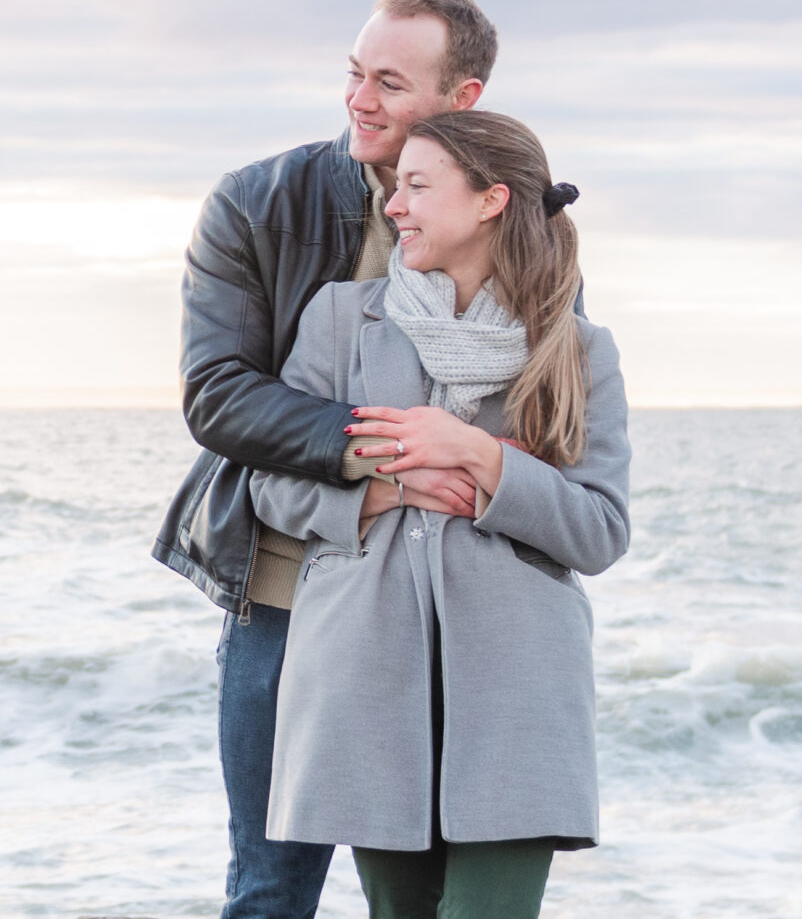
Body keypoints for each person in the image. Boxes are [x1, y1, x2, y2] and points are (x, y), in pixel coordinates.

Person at [152, 0, 502, 919]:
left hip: (435, 600)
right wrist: (391, 456)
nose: (358, 99)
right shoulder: (257, 202)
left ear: (461, 100)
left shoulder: (517, 215)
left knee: (424, 899)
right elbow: (218, 395)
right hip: (283, 593)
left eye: (390, 82)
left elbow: (543, 405)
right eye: (354, 73)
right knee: (270, 889)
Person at [247, 110, 630, 919]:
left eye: (418, 186)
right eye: (397, 187)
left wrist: (480, 457)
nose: (396, 206)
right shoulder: (340, 320)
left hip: (517, 689)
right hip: (364, 675)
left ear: (490, 200)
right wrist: (387, 487)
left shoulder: (577, 346)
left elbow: (599, 531)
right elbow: (270, 491)